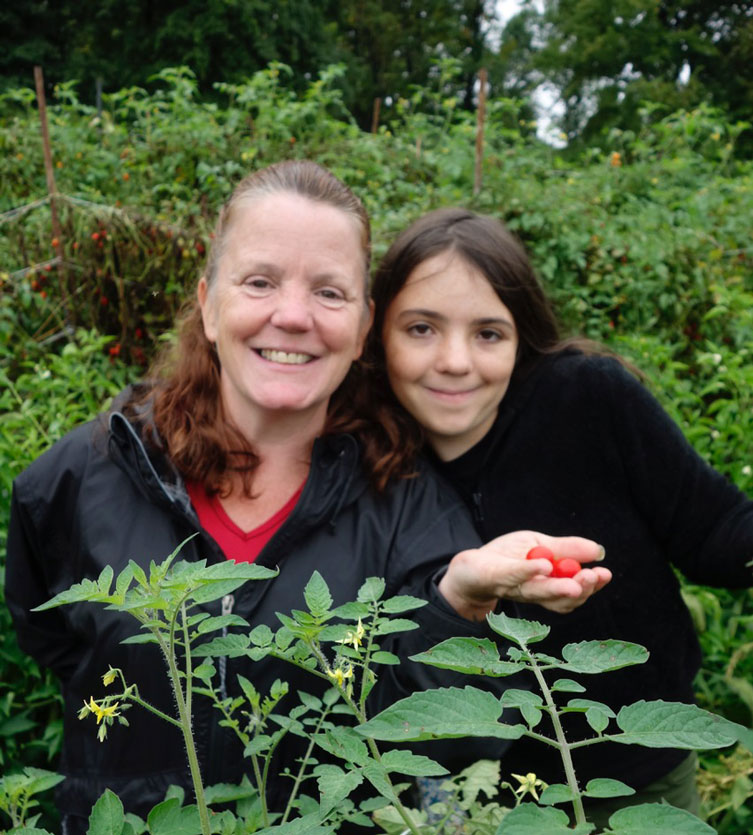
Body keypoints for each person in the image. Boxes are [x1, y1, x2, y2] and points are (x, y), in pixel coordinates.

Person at [5, 163, 604, 833]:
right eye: (259, 281)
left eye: (328, 291)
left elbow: (453, 745)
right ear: (208, 304)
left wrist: (454, 608)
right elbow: (53, 637)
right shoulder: (76, 478)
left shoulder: (409, 505)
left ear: (362, 326)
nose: (292, 316)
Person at [368, 206, 753, 826]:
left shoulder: (588, 400)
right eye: (420, 329)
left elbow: (713, 530)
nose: (455, 361)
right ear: (376, 331)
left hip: (642, 770)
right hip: (476, 796)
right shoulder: (367, 455)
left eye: (488, 333)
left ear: (522, 336)